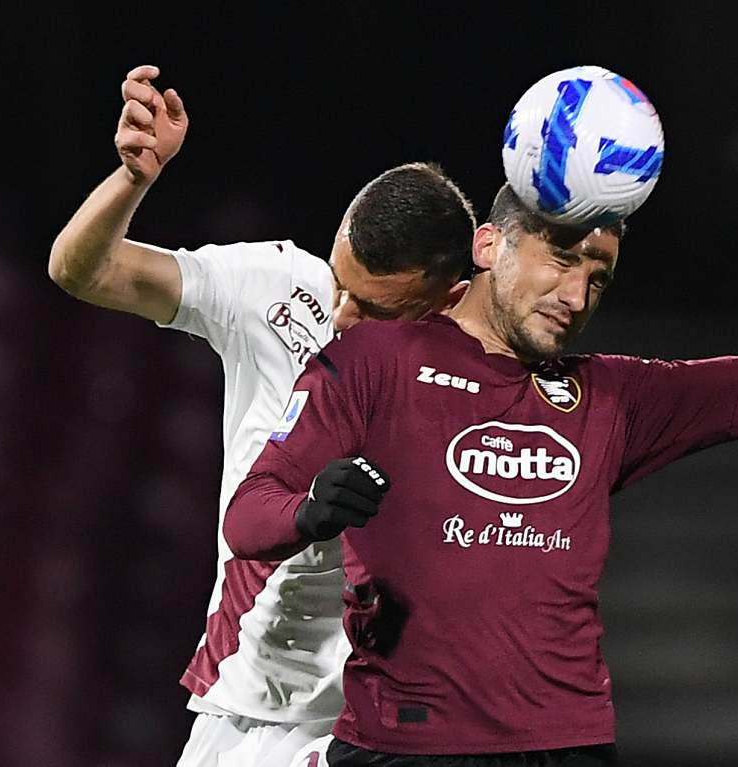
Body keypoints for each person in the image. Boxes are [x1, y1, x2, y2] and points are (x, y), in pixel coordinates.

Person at [222, 129, 738, 766]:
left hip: (567, 747)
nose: (576, 297)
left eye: (598, 278)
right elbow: (248, 514)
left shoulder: (613, 396)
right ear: (488, 245)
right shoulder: (373, 361)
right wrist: (309, 510)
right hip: (403, 745)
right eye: (561, 259)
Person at [48, 65, 476, 767]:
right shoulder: (276, 288)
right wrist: (132, 180)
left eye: (373, 308)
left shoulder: (481, 400)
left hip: (358, 730)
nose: (342, 314)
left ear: (447, 301)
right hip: (230, 710)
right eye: (340, 283)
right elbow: (81, 271)